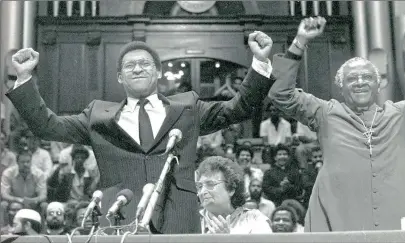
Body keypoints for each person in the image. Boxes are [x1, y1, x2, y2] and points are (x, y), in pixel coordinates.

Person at [6, 31, 274, 234]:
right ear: (120, 77)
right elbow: (47, 126)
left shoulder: (188, 107)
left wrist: (260, 62)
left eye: (145, 64)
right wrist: (24, 78)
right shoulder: (98, 115)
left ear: (157, 72)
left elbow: (239, 108)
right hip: (119, 218)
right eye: (129, 66)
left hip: (178, 217)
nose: (137, 68)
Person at [267, 7, 405, 232]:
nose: (360, 81)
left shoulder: (401, 113)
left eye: (367, 77)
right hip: (338, 209)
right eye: (352, 78)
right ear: (340, 87)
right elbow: (280, 94)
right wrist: (299, 41)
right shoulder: (325, 113)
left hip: (397, 206)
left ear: (378, 84)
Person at [196, 156, 272, 234]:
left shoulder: (254, 219)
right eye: (200, 186)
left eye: (210, 184)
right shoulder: (190, 220)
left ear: (231, 189)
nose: (202, 191)